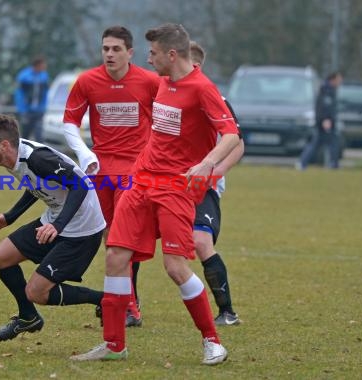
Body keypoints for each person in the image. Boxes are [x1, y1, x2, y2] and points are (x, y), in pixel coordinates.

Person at [70, 23, 239, 365]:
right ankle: (114, 344)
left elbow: (232, 135)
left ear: (171, 55)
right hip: (140, 180)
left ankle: (212, 340)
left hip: (175, 188)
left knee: (175, 266)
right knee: (116, 255)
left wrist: (207, 164)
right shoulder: (160, 82)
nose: (149, 60)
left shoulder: (202, 89)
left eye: (154, 54)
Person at [62, 25, 161, 327]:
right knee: (108, 237)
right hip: (99, 171)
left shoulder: (150, 82)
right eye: (105, 48)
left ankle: (128, 306)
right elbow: (69, 122)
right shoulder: (88, 81)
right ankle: (125, 300)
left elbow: (168, 121)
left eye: (116, 49)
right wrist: (83, 152)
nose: (109, 54)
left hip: (135, 171)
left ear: (130, 53)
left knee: (122, 237)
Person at [0, 113, 106, 342]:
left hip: (82, 229)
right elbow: (36, 183)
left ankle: (106, 299)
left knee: (37, 292)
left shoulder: (37, 158)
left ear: (4, 145)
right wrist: (10, 217)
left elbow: (80, 185)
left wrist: (57, 225)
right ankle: (28, 317)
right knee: (0, 257)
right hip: (57, 219)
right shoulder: (15, 159)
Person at [188, 41, 244, 325]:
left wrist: (212, 173)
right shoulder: (163, 96)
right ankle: (130, 309)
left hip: (202, 187)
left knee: (200, 241)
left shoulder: (213, 98)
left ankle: (227, 312)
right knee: (128, 240)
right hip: (163, 182)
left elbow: (237, 144)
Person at [297, 71, 343, 170]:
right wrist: (325, 120)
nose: (340, 82)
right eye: (338, 79)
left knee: (327, 143)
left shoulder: (330, 90)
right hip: (325, 123)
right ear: (333, 79)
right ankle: (303, 162)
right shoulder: (326, 90)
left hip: (327, 122)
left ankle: (332, 164)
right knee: (323, 144)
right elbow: (324, 107)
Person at [14, 56, 49, 142]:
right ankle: (23, 154)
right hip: (27, 111)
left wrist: (43, 107)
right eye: (43, 64)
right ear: (37, 65)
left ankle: (39, 155)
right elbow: (19, 94)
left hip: (39, 111)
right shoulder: (24, 76)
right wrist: (22, 109)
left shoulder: (44, 76)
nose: (45, 66)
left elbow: (45, 93)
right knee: (26, 134)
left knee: (39, 135)